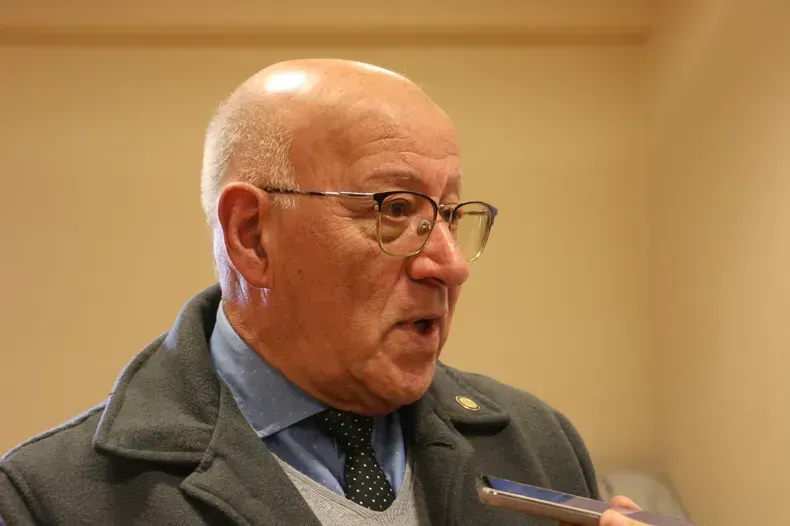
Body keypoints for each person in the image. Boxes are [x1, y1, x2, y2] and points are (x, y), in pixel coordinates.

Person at [0, 59, 647, 525]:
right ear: (251, 236)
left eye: (450, 214)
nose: (450, 266)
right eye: (395, 209)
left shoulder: (539, 442)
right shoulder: (47, 499)